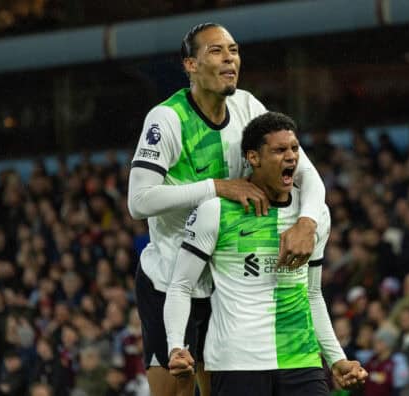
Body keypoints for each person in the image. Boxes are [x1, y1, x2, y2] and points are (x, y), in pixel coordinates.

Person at [127, 23, 326, 396]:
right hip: (172, 280)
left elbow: (308, 174)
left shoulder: (247, 106)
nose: (230, 58)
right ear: (190, 64)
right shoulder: (167, 119)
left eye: (233, 50)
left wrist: (307, 223)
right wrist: (216, 187)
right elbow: (138, 202)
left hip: (225, 283)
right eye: (216, 51)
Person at [163, 112, 367, 395]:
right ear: (254, 158)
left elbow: (312, 294)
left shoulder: (314, 215)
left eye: (295, 148)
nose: (291, 157)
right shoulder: (216, 211)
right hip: (237, 363)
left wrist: (336, 359)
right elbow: (181, 285)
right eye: (279, 150)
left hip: (301, 359)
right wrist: (176, 346)